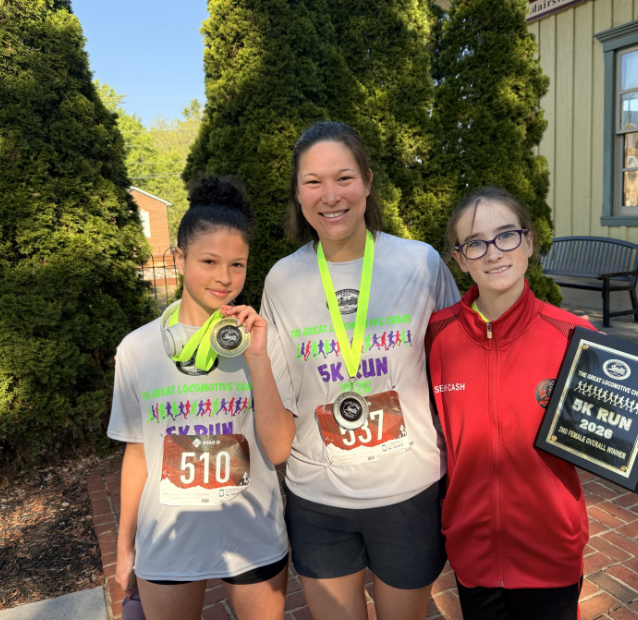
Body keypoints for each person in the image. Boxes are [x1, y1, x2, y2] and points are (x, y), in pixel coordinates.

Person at [425, 186, 638, 620]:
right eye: (475, 243)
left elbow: (626, 407)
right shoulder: (437, 336)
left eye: (506, 235)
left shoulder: (573, 337)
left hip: (550, 554)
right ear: (458, 258)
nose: (493, 252)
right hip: (472, 552)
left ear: (528, 242)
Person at [259, 121, 461, 620]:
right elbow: (280, 398)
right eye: (313, 182)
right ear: (299, 194)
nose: (331, 195)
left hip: (407, 492)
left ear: (368, 182)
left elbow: (462, 364)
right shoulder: (283, 279)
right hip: (317, 498)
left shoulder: (420, 263)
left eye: (344, 178)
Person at [108, 174, 297, 620]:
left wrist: (256, 358)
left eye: (238, 264)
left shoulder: (262, 342)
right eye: (209, 261)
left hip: (253, 534)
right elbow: (138, 455)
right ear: (178, 258)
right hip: (168, 538)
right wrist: (124, 545)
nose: (224, 278)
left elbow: (280, 447)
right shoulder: (137, 348)